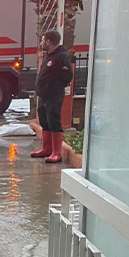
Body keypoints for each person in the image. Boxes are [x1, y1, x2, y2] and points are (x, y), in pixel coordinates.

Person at [32, 29, 73, 163]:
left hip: (54, 95)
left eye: (43, 40)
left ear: (48, 42)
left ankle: (56, 153)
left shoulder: (61, 56)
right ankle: (47, 149)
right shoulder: (49, 55)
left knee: (53, 121)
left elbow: (67, 76)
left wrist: (55, 86)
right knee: (45, 121)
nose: (41, 42)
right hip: (43, 95)